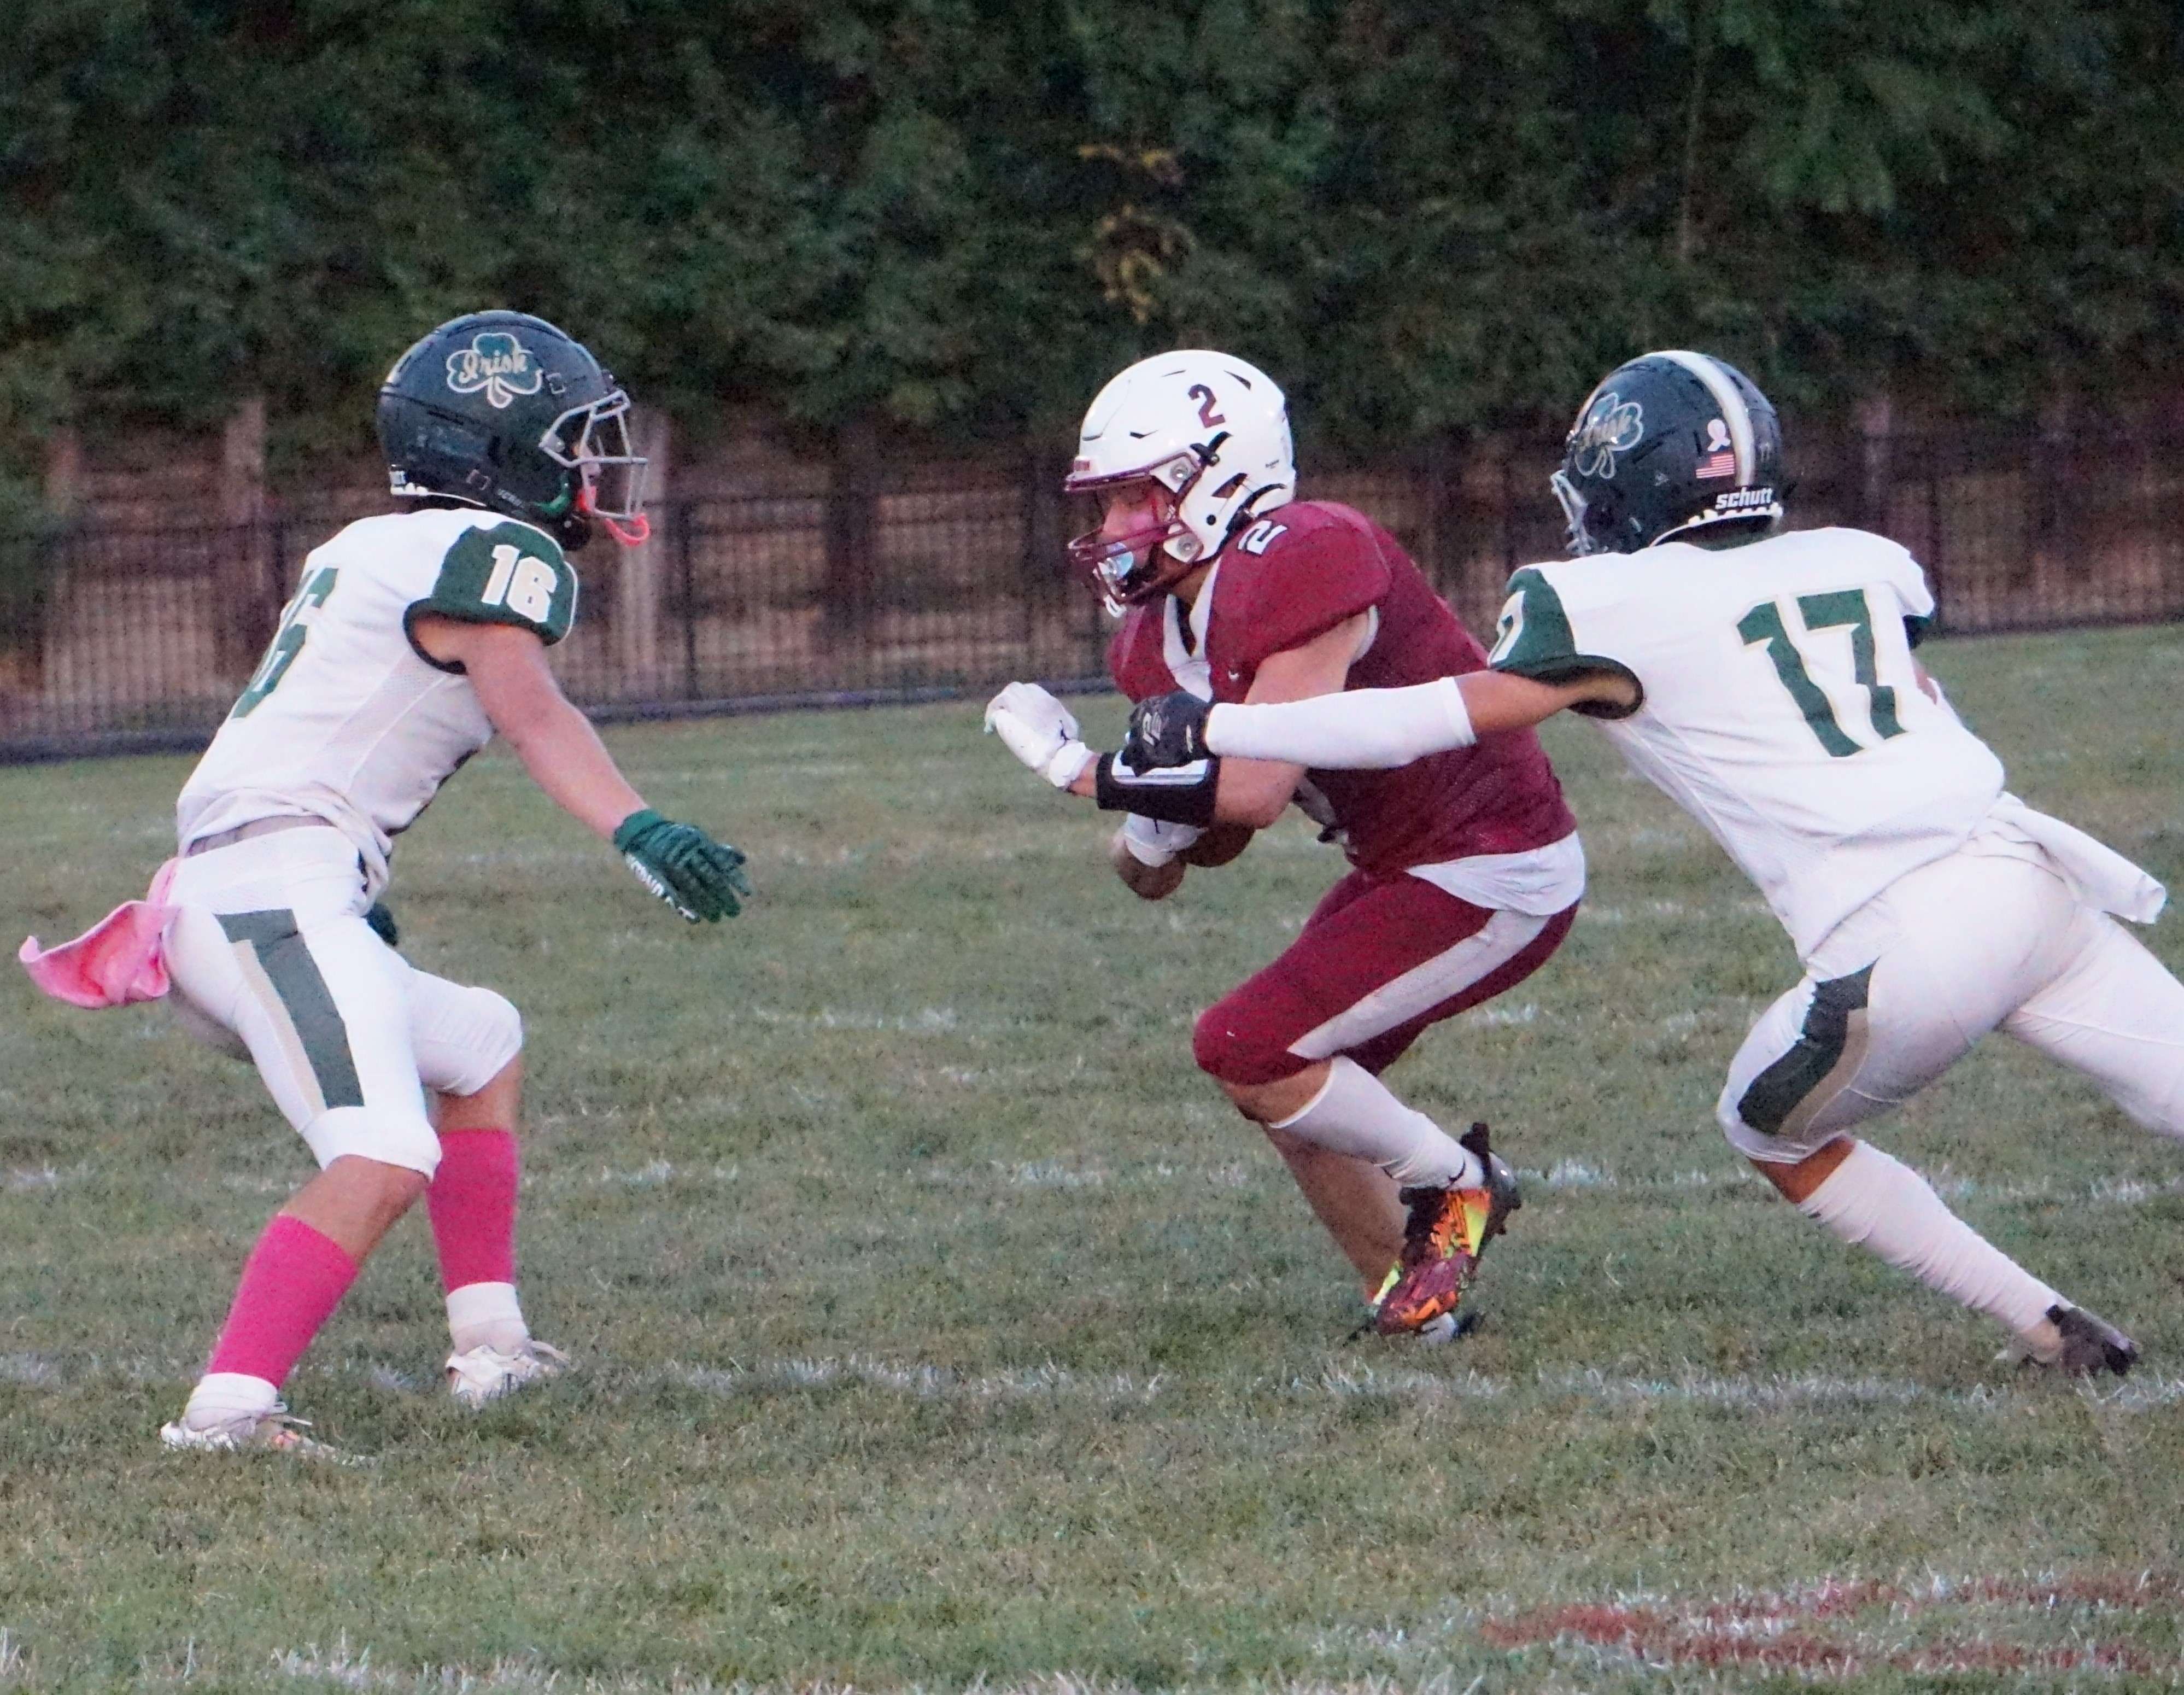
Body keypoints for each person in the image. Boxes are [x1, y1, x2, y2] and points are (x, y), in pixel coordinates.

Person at [1120, 348, 2174, 1375]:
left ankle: (2043, 1325)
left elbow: (1427, 719)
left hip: (1904, 938)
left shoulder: (1603, 602)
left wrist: (1213, 733)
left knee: (1768, 1133)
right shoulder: (1861, 559)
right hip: (2037, 873)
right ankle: (1419, 1287)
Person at [131, 311, 750, 1452]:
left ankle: (492, 1340)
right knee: (381, 1148)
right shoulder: (491, 557)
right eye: (571, 440)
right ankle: (227, 1410)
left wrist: (352, 888)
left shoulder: (368, 547)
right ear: (497, 450)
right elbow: (534, 712)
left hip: (266, 882)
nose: (589, 466)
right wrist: (639, 826)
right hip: (272, 889)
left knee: (479, 1039)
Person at [985, 349, 1584, 1336]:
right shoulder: (1150, 640)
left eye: (1137, 498)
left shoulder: (1304, 554)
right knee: (1285, 1078)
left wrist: (1081, 773)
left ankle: (1461, 1185)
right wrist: (1149, 830)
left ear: (1221, 479)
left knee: (1249, 1046)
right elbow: (1199, 852)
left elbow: (1258, 788)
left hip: (1492, 858)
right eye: (1109, 503)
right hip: (1403, 865)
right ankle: (1416, 1306)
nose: (1113, 528)